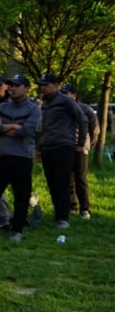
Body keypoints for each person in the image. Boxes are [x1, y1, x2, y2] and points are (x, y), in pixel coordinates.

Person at [0, 74, 42, 242]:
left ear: (27, 88)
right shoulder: (1, 107)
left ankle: (17, 231)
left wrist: (3, 128)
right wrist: (14, 125)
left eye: (17, 85)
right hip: (0, 156)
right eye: (11, 85)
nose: (13, 88)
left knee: (21, 196)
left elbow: (26, 131)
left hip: (21, 157)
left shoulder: (34, 109)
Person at [36, 72, 88, 230]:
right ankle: (57, 214)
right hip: (47, 147)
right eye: (41, 85)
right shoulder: (44, 103)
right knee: (52, 183)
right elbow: (43, 127)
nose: (42, 88)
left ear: (56, 85)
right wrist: (39, 148)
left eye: (46, 85)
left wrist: (80, 143)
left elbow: (83, 119)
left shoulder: (66, 101)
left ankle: (63, 218)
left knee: (62, 183)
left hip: (63, 146)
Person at [62, 83, 97, 220]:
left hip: (81, 148)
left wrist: (87, 145)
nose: (63, 96)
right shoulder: (60, 109)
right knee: (67, 177)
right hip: (65, 147)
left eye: (66, 93)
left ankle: (85, 208)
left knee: (80, 178)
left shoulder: (85, 109)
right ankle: (72, 205)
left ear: (74, 95)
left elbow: (95, 129)